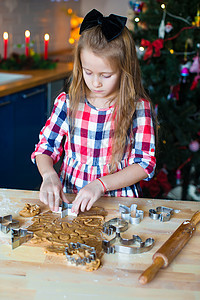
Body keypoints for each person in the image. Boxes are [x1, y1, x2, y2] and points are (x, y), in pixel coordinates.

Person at [31, 9, 156, 214]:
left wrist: (99, 185)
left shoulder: (138, 109)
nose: (95, 82)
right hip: (71, 201)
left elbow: (144, 164)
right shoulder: (67, 103)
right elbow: (45, 147)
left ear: (125, 71)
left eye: (106, 75)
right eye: (88, 72)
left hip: (119, 206)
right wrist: (49, 175)